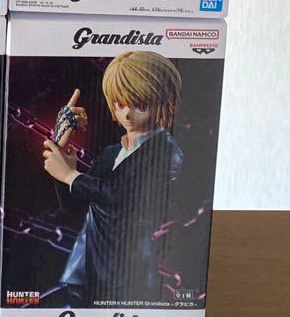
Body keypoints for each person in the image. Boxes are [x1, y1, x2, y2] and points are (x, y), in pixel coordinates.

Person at [42, 51, 184, 307]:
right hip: (85, 266)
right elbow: (75, 207)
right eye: (120, 104)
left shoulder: (166, 152)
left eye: (140, 105)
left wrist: (71, 175)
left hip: (127, 272)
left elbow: (126, 198)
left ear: (163, 101)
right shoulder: (111, 153)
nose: (127, 114)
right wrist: (62, 155)